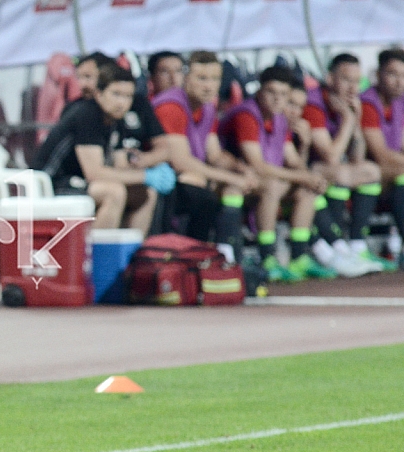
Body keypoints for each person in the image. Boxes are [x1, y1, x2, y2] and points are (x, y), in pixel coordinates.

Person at [218, 66, 334, 282]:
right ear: (260, 91)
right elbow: (257, 165)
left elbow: (292, 161)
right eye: (272, 92)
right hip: (235, 182)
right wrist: (303, 176)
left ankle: (299, 256)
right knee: (274, 186)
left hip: (263, 182)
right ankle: (267, 258)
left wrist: (306, 153)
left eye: (283, 94)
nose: (277, 99)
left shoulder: (279, 119)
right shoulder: (247, 114)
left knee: (307, 189)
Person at [32, 61, 175, 234]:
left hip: (79, 181)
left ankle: (131, 253)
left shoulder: (116, 120)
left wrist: (146, 169)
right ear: (99, 94)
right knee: (113, 192)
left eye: (128, 96)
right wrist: (145, 176)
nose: (122, 103)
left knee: (145, 194)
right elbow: (95, 173)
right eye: (116, 94)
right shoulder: (87, 115)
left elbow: (120, 166)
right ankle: (98, 257)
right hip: (49, 182)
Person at [152, 50, 258, 262]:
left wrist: (241, 169)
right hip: (165, 179)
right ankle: (193, 257)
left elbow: (215, 155)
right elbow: (180, 162)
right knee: (202, 188)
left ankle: (229, 257)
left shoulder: (207, 108)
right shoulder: (171, 107)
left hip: (193, 177)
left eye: (215, 79)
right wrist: (230, 177)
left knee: (236, 188)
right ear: (186, 78)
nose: (209, 86)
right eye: (202, 78)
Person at [300, 53, 386, 274]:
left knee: (369, 170)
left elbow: (357, 157)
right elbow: (330, 156)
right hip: (308, 170)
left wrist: (355, 121)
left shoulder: (349, 105)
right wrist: (347, 121)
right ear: (330, 78)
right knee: (340, 173)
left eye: (357, 81)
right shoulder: (314, 105)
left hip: (332, 171)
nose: (352, 87)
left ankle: (357, 245)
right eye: (346, 80)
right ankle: (336, 247)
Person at [360, 48, 404, 267]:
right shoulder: (368, 104)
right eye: (393, 74)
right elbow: (381, 156)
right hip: (371, 175)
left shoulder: (400, 103)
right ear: (378, 74)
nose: (400, 82)